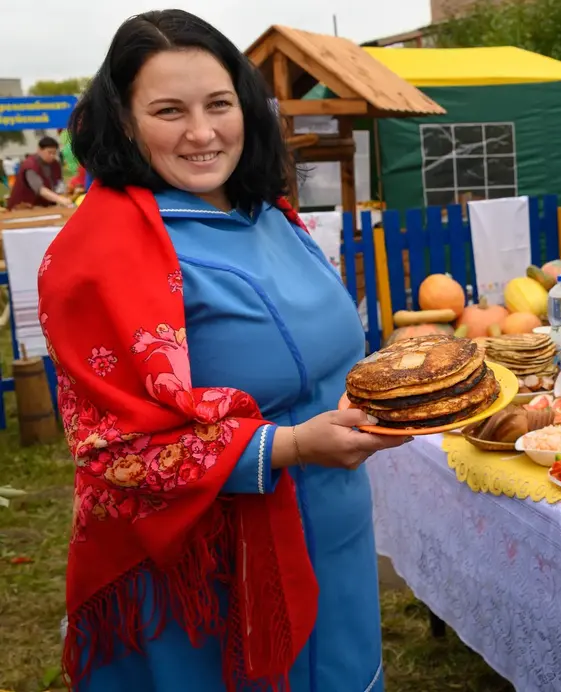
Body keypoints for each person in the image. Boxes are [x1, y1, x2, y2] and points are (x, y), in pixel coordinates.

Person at [40, 10, 408, 691]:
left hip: (331, 522)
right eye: (169, 111)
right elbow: (111, 448)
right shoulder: (100, 253)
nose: (202, 133)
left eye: (218, 104)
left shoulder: (264, 209)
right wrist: (291, 447)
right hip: (210, 565)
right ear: (123, 120)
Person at [5, 136, 75, 208]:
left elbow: (59, 183)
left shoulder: (55, 164)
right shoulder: (30, 165)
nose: (52, 156)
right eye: (49, 152)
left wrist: (64, 194)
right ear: (39, 150)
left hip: (45, 206)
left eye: (54, 153)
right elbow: (40, 189)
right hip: (22, 207)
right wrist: (59, 199)